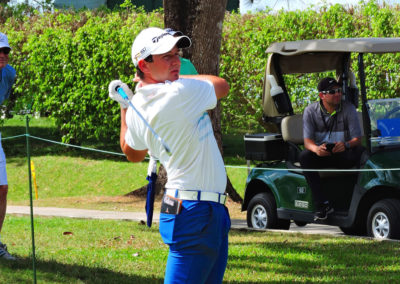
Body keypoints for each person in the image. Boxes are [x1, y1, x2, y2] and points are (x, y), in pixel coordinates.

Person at [108, 27, 231, 283]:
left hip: (200, 210)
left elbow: (132, 152)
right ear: (144, 64)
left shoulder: (137, 108)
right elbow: (222, 85)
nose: (177, 61)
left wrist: (124, 106)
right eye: (167, 56)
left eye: (177, 53)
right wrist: (179, 78)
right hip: (195, 210)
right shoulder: (178, 92)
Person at [299, 77, 363, 221]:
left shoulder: (349, 108)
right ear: (322, 95)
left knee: (361, 152)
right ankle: (322, 204)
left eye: (339, 91)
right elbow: (307, 142)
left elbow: (357, 139)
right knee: (304, 156)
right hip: (322, 155)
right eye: (332, 92)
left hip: (342, 154)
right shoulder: (310, 111)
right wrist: (316, 149)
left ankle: (361, 200)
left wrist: (346, 145)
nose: (338, 94)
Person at [0, 32, 16, 260]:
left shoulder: (9, 74)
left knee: (2, 188)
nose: (2, 55)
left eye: (6, 51)